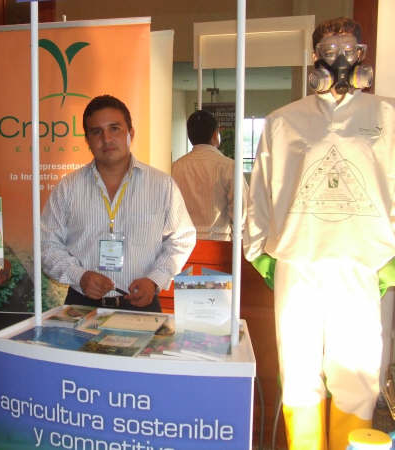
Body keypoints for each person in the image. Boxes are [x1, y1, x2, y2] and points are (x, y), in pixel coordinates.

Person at [244, 17, 390, 450]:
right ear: (314, 57)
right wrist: (262, 254)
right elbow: (260, 195)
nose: (340, 58)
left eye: (348, 48)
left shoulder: (387, 117)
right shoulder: (282, 122)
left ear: (361, 54)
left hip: (362, 265)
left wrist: (391, 264)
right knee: (298, 374)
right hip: (298, 265)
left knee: (358, 375)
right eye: (329, 49)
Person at [41, 94, 196, 312]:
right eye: (97, 131)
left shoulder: (162, 185)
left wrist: (155, 279)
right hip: (82, 304)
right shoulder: (68, 188)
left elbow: (181, 239)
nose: (106, 139)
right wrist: (79, 276)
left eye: (114, 128)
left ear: (130, 133)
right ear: (87, 140)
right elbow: (46, 245)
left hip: (142, 304)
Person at [172, 110, 248, 241]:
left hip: (183, 243)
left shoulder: (175, 167)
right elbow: (241, 210)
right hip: (219, 243)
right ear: (215, 135)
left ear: (190, 136)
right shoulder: (228, 166)